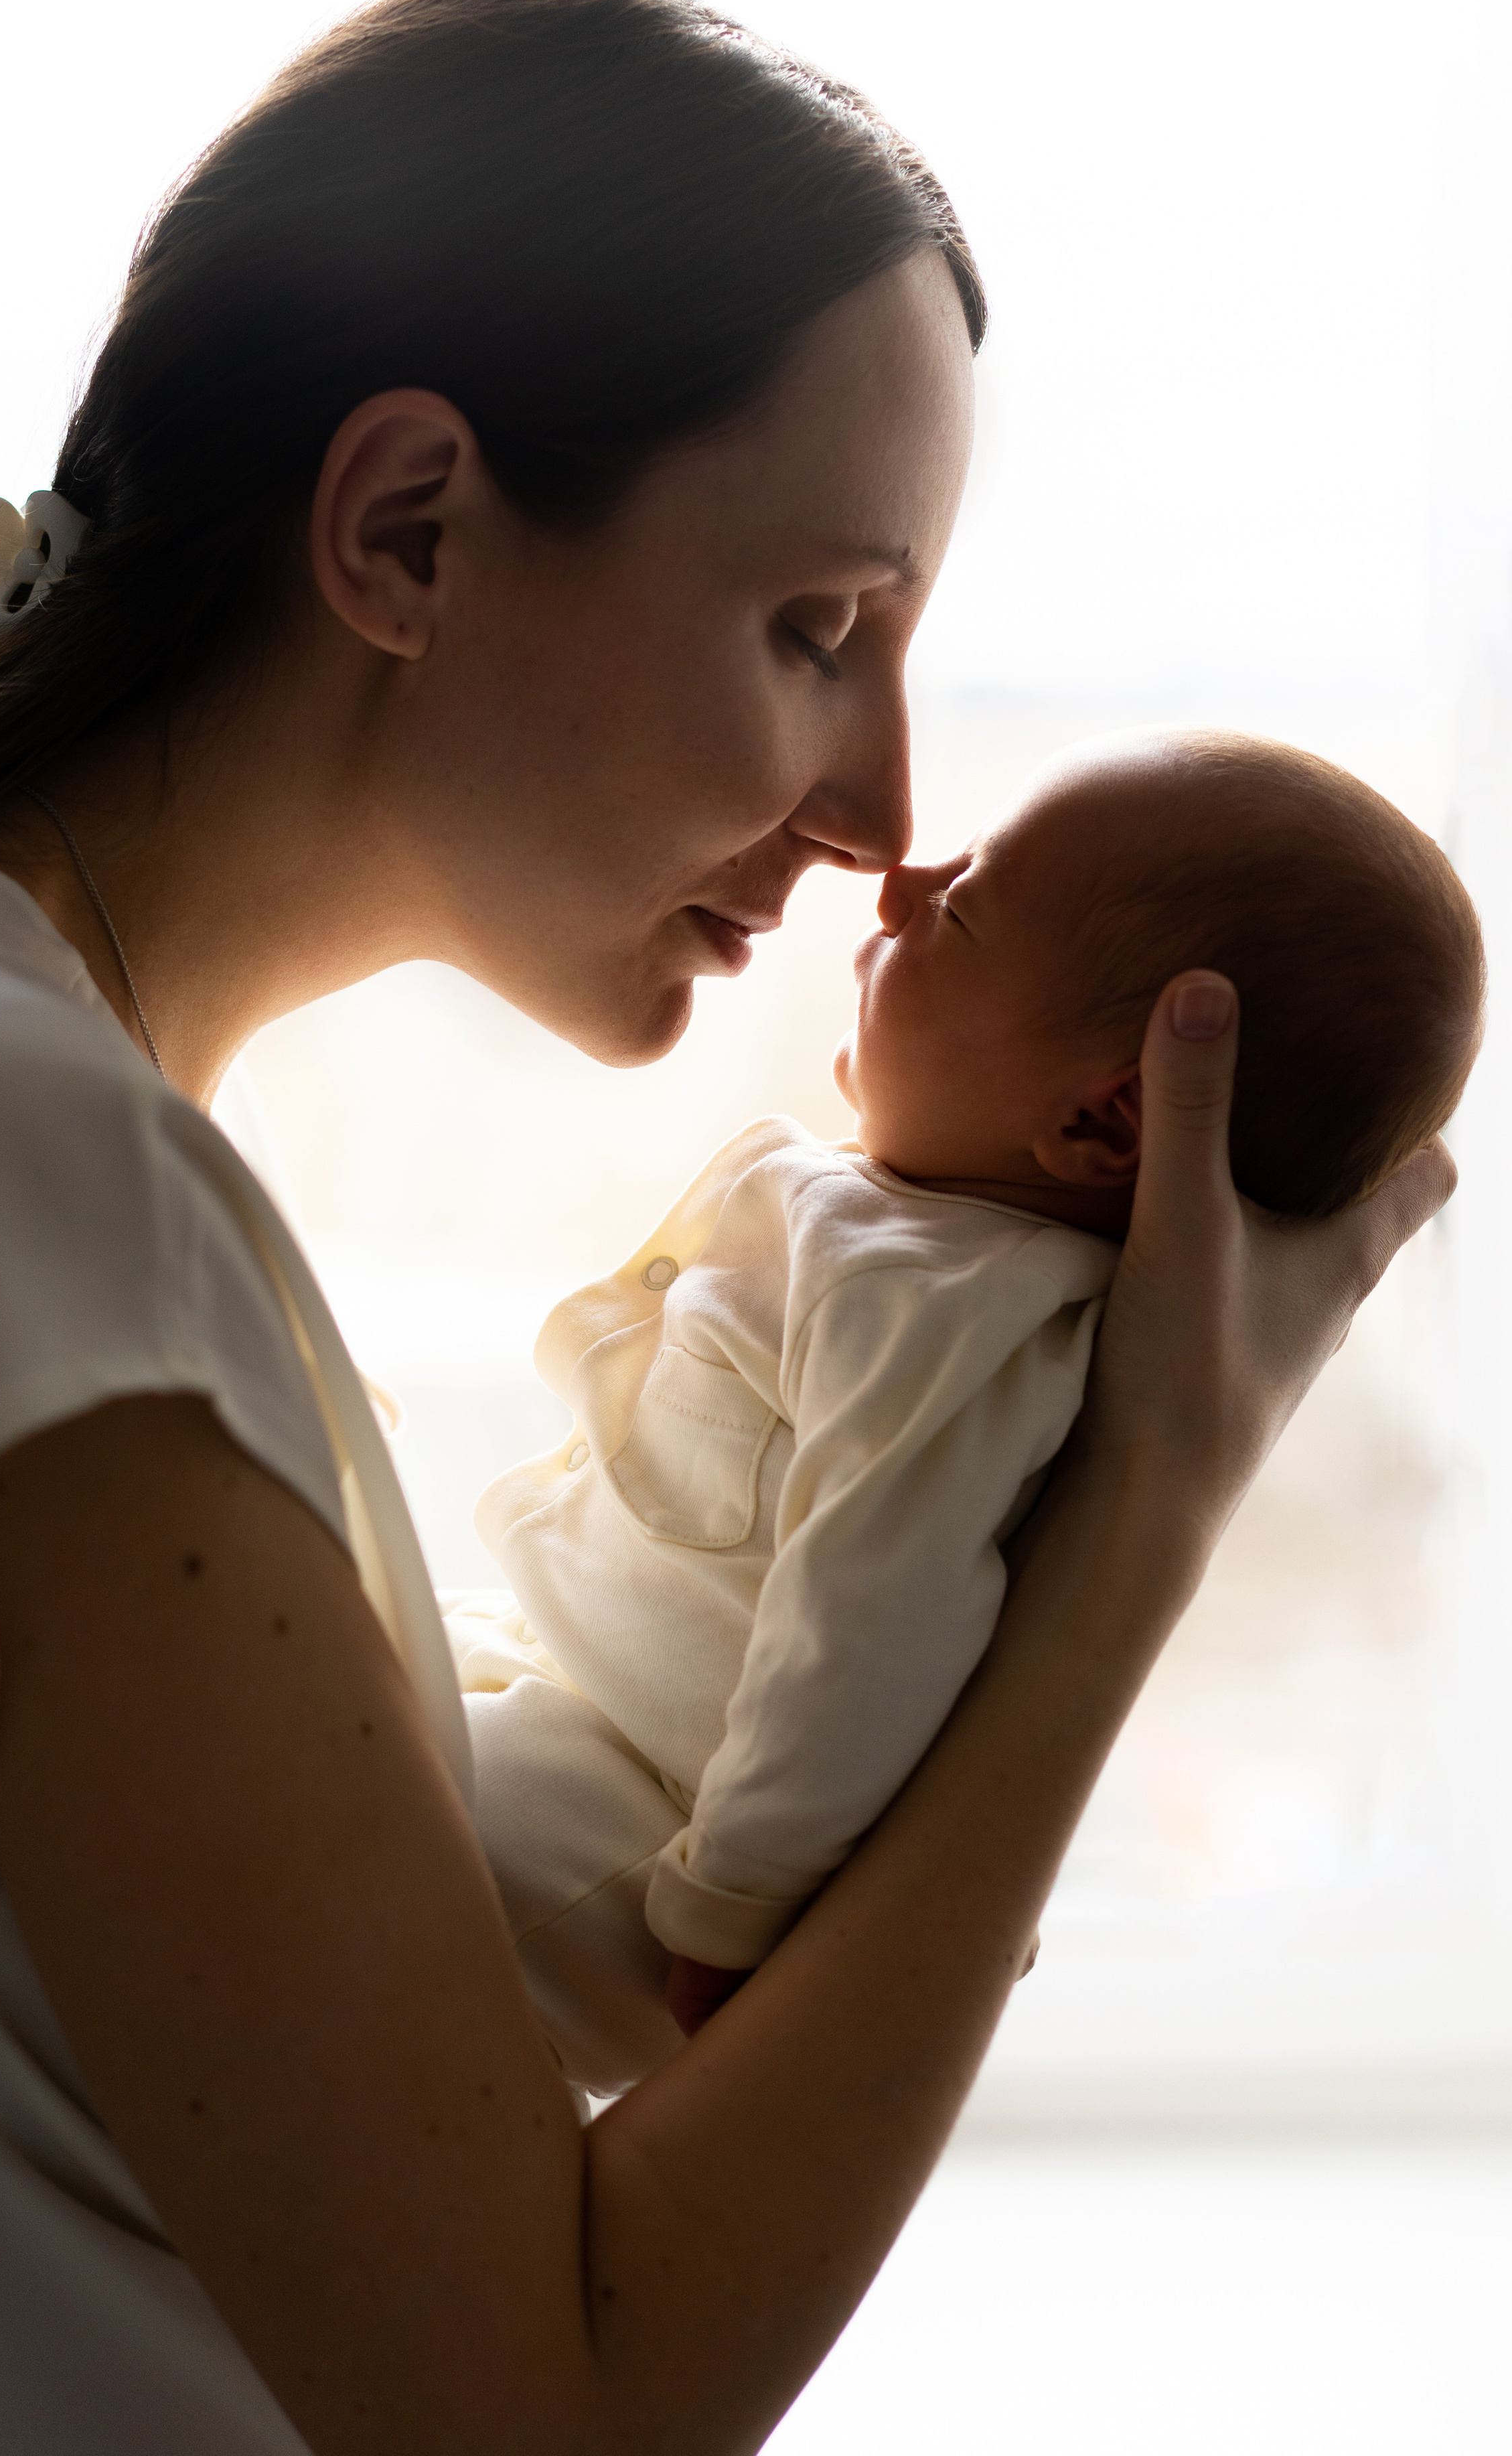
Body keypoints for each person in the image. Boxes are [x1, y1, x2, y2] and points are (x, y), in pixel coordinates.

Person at [0, 0, 1450, 2456]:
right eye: (819, 628)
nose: (889, 805)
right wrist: (1136, 1537)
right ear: (406, 527)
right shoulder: (2, 1176)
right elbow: (551, 2419)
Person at [454, 731, 1485, 2097]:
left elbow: (867, 1615)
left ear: (1102, 1126)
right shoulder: (908, 1241)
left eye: (958, 910)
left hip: (644, 1844)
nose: (894, 884)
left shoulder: (951, 1315)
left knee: (338, 1820)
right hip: (573, 1694)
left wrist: (737, 1904)